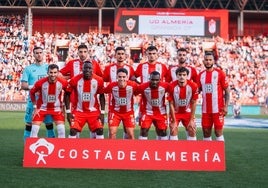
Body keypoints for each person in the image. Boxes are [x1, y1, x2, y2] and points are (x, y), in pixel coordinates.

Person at [60, 44, 103, 137]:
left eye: (84, 52)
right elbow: (59, 74)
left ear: (88, 52)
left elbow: (101, 76)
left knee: (95, 128)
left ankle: (94, 147)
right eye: (80, 52)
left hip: (90, 100)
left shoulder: (94, 63)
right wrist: (69, 79)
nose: (83, 54)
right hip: (74, 100)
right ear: (77, 53)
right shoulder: (72, 63)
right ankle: (75, 148)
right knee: (74, 127)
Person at [20, 46, 55, 142]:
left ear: (43, 54)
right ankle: (27, 151)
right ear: (33, 54)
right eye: (37, 53)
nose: (39, 55)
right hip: (33, 102)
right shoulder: (28, 69)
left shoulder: (49, 68)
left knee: (49, 125)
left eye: (40, 52)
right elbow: (23, 85)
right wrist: (35, 87)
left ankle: (53, 148)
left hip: (47, 102)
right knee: (29, 125)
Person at [64, 61, 105, 139]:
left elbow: (102, 96)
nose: (87, 70)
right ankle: (72, 149)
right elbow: (67, 94)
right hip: (79, 111)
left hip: (93, 111)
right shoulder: (75, 80)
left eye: (89, 68)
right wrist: (68, 112)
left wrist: (102, 112)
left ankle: (99, 149)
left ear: (92, 69)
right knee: (73, 130)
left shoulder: (99, 80)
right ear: (82, 69)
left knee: (100, 129)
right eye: (85, 68)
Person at [103, 46, 136, 139]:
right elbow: (104, 82)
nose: (120, 56)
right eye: (119, 54)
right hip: (114, 106)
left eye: (122, 54)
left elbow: (134, 85)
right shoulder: (109, 68)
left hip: (128, 107)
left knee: (128, 132)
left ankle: (126, 151)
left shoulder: (130, 68)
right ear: (115, 55)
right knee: (112, 132)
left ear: (125, 55)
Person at [197, 51, 230, 141]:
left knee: (218, 132)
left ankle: (220, 154)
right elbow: (198, 90)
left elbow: (227, 91)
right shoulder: (200, 75)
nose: (208, 62)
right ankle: (209, 154)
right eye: (206, 60)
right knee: (206, 133)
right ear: (203, 61)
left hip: (218, 109)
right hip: (205, 110)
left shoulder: (220, 73)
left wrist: (226, 106)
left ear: (213, 61)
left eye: (210, 60)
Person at [29, 64, 68, 138]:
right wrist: (35, 106)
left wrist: (64, 106)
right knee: (34, 131)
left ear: (58, 72)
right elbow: (32, 92)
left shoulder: (63, 82)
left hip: (57, 109)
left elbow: (68, 93)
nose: (53, 75)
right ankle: (32, 149)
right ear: (47, 73)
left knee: (61, 131)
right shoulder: (40, 82)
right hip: (42, 108)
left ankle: (60, 149)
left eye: (55, 72)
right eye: (51, 72)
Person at [137, 71, 170, 140]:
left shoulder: (165, 86)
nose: (154, 82)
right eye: (152, 80)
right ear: (149, 79)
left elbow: (174, 91)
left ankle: (163, 149)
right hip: (147, 112)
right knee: (144, 130)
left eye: (156, 80)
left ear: (160, 80)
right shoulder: (143, 87)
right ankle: (140, 149)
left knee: (162, 132)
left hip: (161, 112)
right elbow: (134, 92)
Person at [169, 67, 199, 140]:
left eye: (184, 75)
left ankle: (191, 150)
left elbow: (194, 103)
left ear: (187, 76)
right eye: (180, 75)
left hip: (187, 112)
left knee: (192, 129)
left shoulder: (193, 86)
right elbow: (171, 104)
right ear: (177, 76)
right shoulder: (171, 86)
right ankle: (174, 150)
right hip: (176, 112)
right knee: (173, 129)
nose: (182, 77)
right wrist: (173, 120)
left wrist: (191, 120)